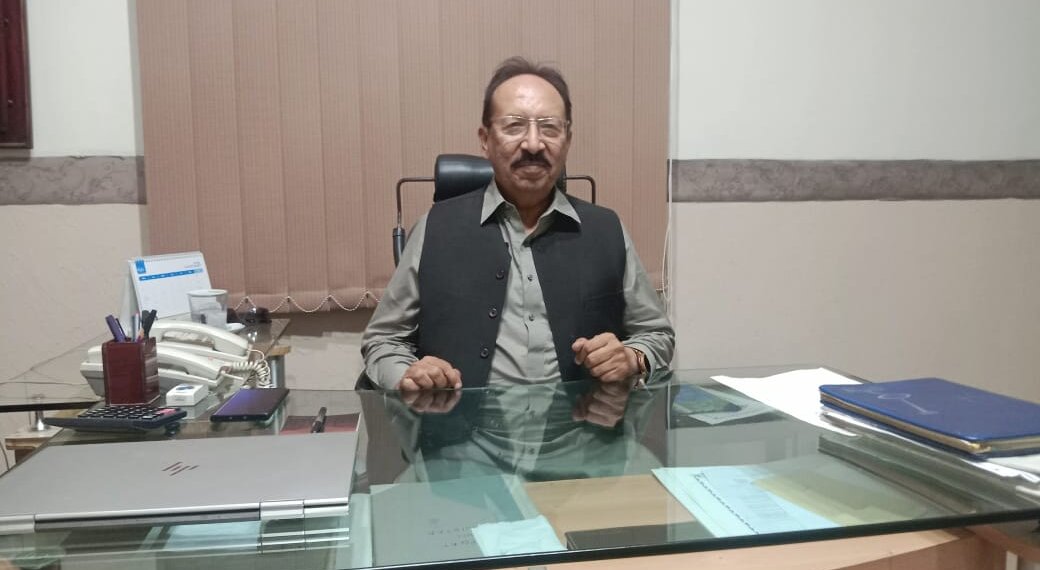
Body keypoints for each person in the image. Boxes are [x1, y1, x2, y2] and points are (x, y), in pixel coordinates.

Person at [362, 56, 674, 390]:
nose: (534, 144)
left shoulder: (606, 230)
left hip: (583, 421)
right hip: (459, 421)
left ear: (567, 140)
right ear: (485, 139)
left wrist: (633, 357)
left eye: (550, 128)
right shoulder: (435, 228)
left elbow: (656, 334)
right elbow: (384, 340)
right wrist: (408, 376)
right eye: (514, 126)